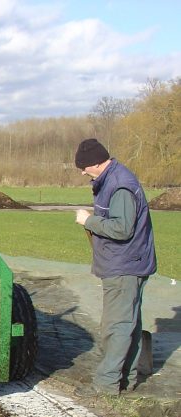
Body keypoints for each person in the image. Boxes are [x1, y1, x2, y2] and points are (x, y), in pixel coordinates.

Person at [73, 138, 157, 396]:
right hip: (127, 263)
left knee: (116, 326)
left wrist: (89, 221)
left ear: (97, 162)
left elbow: (122, 228)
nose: (83, 172)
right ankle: (125, 380)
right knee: (128, 324)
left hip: (124, 266)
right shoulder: (112, 179)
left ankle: (106, 385)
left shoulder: (120, 185)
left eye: (85, 167)